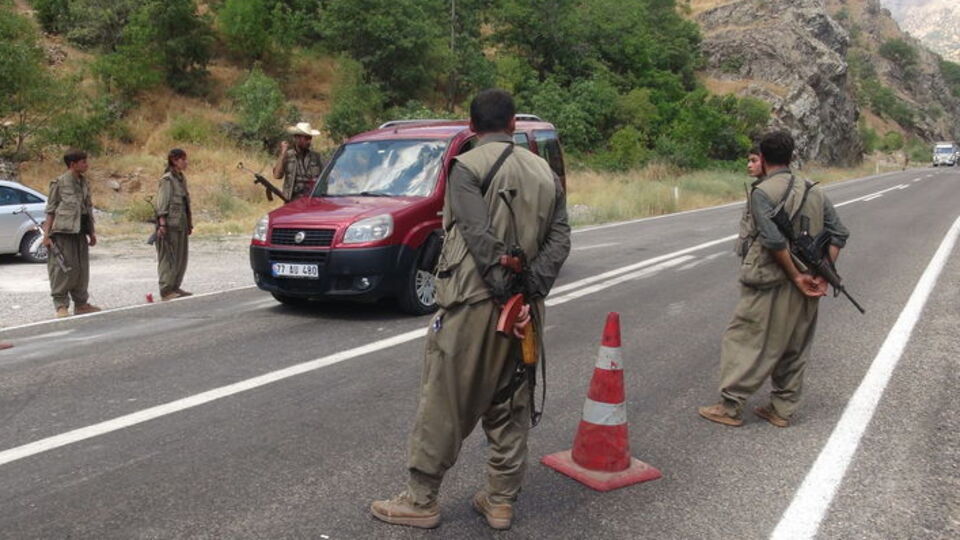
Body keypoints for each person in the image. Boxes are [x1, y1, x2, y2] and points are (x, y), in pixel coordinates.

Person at [370, 89, 571, 530]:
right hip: (525, 314)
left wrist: (504, 293)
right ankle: (500, 502)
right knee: (512, 404)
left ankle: (421, 500)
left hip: (475, 306)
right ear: (513, 124)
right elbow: (560, 239)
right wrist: (527, 294)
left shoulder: (465, 167)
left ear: (471, 126)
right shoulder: (545, 171)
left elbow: (478, 237)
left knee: (444, 402)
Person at [698, 131, 849, 428]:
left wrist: (795, 275)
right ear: (791, 156)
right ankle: (781, 410)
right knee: (795, 345)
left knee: (745, 339)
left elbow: (773, 241)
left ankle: (730, 406)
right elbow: (839, 234)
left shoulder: (763, 192)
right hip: (810, 281)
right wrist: (822, 274)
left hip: (770, 280)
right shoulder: (814, 190)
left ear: (764, 158)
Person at [41, 149, 101, 318]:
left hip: (80, 232)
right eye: (83, 162)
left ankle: (81, 304)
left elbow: (87, 208)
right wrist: (46, 235)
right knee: (62, 269)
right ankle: (61, 305)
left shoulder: (84, 182)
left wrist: (92, 232)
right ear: (73, 164)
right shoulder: (59, 183)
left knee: (81, 270)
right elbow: (51, 210)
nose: (86, 165)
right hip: (63, 233)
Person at [154, 149, 193, 301]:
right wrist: (162, 224)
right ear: (174, 160)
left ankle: (175, 286)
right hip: (169, 225)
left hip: (181, 224)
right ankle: (166, 290)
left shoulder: (181, 179)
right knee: (168, 258)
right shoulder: (167, 180)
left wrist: (189, 223)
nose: (186, 162)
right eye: (183, 159)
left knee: (180, 257)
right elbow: (162, 203)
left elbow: (185, 204)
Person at [273, 122, 324, 200]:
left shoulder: (316, 157)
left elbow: (325, 178)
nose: (309, 141)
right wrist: (283, 153)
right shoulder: (287, 155)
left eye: (310, 138)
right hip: (292, 200)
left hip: (311, 199)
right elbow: (277, 175)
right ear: (297, 138)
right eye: (306, 138)